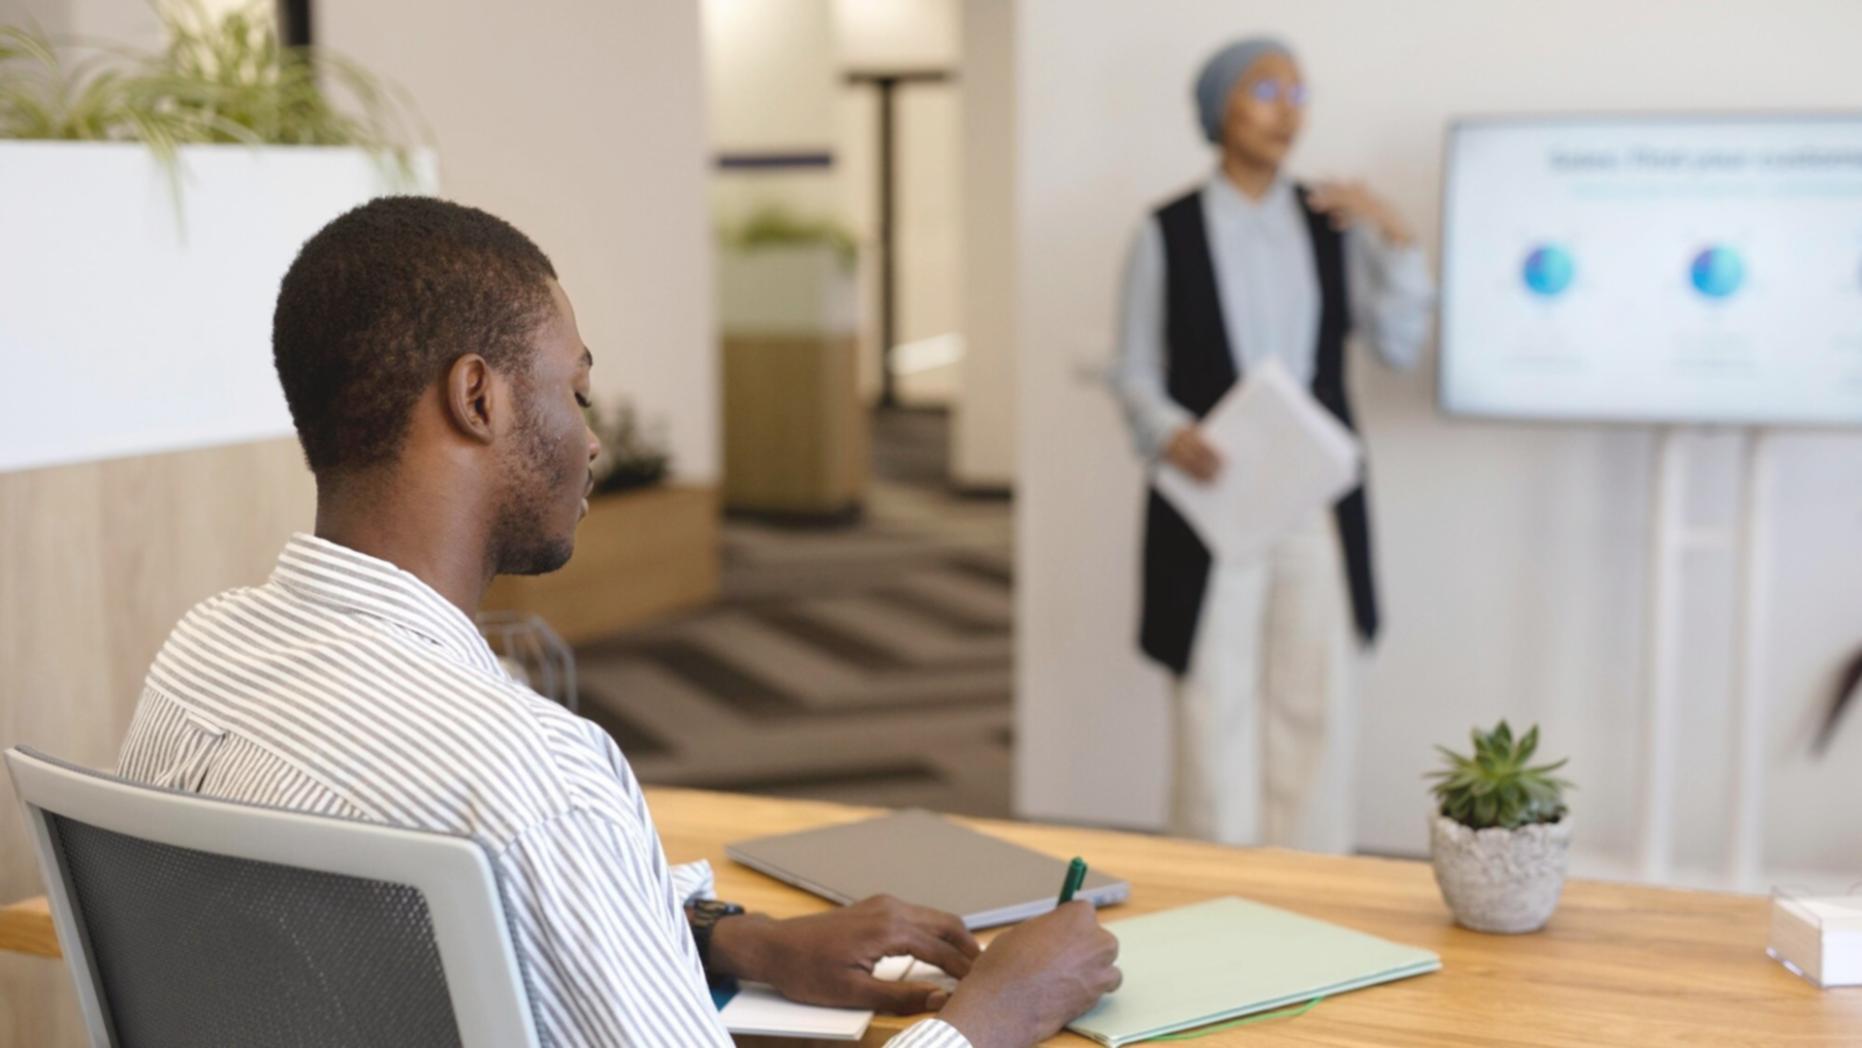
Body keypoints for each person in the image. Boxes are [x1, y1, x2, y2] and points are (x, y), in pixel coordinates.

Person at [115, 197, 1120, 1048]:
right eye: (576, 390)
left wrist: (730, 936)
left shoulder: (202, 659)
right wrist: (994, 1009)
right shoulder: (529, 775)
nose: (593, 441)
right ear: (477, 397)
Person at [1108, 38, 1434, 852]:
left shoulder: (1332, 224)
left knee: (1314, 692)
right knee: (1212, 689)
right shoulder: (1167, 230)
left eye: (1299, 91)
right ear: (1221, 107)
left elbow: (1396, 344)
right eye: (1265, 88)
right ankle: (1211, 869)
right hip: (1215, 495)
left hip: (1314, 494)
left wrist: (1396, 239)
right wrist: (1168, 432)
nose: (1289, 108)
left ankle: (1312, 873)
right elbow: (1135, 368)